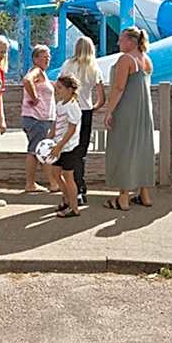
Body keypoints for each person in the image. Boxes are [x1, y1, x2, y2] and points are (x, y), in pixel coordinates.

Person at [103, 27, 156, 211]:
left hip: (127, 111)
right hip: (144, 112)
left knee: (124, 149)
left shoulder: (126, 59)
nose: (118, 43)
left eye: (121, 39)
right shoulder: (146, 59)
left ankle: (123, 198)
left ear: (131, 42)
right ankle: (145, 194)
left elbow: (119, 88)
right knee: (143, 149)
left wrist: (109, 111)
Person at [60, 37, 105, 205]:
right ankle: (80, 188)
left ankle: (69, 190)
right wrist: (94, 107)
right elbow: (102, 98)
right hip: (85, 110)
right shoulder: (94, 68)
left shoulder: (68, 65)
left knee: (68, 149)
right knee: (81, 151)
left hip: (70, 109)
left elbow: (60, 86)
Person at [21, 44, 58, 193]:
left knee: (39, 150)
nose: (47, 59)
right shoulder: (36, 71)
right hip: (36, 118)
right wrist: (35, 98)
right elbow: (27, 80)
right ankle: (47, 183)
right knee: (38, 150)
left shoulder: (43, 73)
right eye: (44, 57)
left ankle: (42, 182)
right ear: (35, 58)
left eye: (48, 57)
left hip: (40, 118)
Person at [50, 74, 83, 218]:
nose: (57, 90)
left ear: (70, 90)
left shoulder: (73, 107)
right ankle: (67, 199)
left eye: (60, 88)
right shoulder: (60, 104)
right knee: (55, 173)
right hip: (58, 145)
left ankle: (74, 207)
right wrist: (51, 135)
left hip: (69, 147)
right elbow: (57, 123)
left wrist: (60, 145)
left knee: (68, 176)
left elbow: (72, 129)